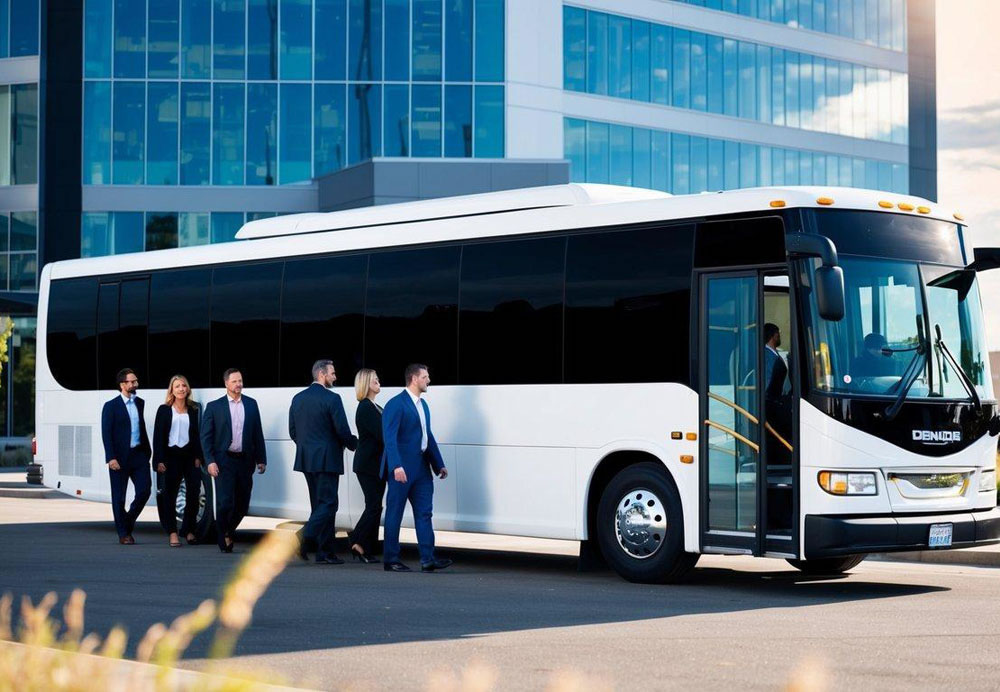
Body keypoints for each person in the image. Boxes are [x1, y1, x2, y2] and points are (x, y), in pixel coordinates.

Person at [381, 363, 451, 573]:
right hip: (401, 469)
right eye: (425, 377)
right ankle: (391, 560)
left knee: (425, 513)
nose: (428, 380)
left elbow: (426, 436)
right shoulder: (395, 404)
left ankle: (427, 559)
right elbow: (389, 439)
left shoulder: (424, 405)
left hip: (421, 469)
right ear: (414, 379)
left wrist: (439, 464)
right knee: (395, 513)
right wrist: (396, 466)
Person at [289, 360, 358, 565]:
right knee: (329, 504)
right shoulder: (332, 398)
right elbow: (342, 430)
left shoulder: (298, 398)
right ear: (321, 374)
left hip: (306, 459)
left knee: (319, 506)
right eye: (332, 373)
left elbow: (293, 431)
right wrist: (355, 444)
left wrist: (308, 447)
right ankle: (302, 537)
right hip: (327, 459)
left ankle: (324, 552)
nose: (335, 377)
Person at [201, 369, 267, 553]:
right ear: (226, 384)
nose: (239, 384)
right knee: (225, 502)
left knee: (243, 503)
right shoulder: (214, 407)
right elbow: (206, 437)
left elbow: (257, 433)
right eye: (235, 381)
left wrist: (261, 459)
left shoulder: (251, 405)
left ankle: (227, 530)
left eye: (240, 380)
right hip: (224, 461)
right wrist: (210, 461)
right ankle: (223, 535)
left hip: (245, 461)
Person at [101, 368, 152, 545]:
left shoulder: (140, 403)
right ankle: (123, 534)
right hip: (119, 458)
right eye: (131, 382)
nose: (135, 384)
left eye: (135, 381)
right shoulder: (111, 406)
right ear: (122, 384)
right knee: (119, 497)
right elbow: (106, 433)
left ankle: (127, 521)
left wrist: (147, 453)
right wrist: (111, 457)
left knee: (145, 490)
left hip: (139, 455)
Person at [152, 375, 204, 547]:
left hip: (189, 456)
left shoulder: (194, 409)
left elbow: (196, 435)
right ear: (172, 390)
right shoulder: (164, 410)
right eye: (177, 386)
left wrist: (198, 457)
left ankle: (188, 530)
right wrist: (158, 460)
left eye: (183, 386)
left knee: (193, 493)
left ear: (187, 389)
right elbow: (158, 437)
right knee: (170, 496)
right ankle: (172, 532)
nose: (181, 389)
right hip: (170, 456)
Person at [348, 369, 385, 564]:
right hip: (367, 464)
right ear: (366, 384)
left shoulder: (376, 406)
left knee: (375, 505)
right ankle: (357, 540)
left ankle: (367, 546)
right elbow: (383, 433)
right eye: (375, 379)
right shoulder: (365, 407)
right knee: (374, 505)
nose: (379, 381)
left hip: (375, 464)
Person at [763, 323, 788, 404]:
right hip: (773, 402)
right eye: (778, 333)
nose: (779, 336)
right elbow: (768, 382)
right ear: (774, 335)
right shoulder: (767, 355)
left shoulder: (774, 353)